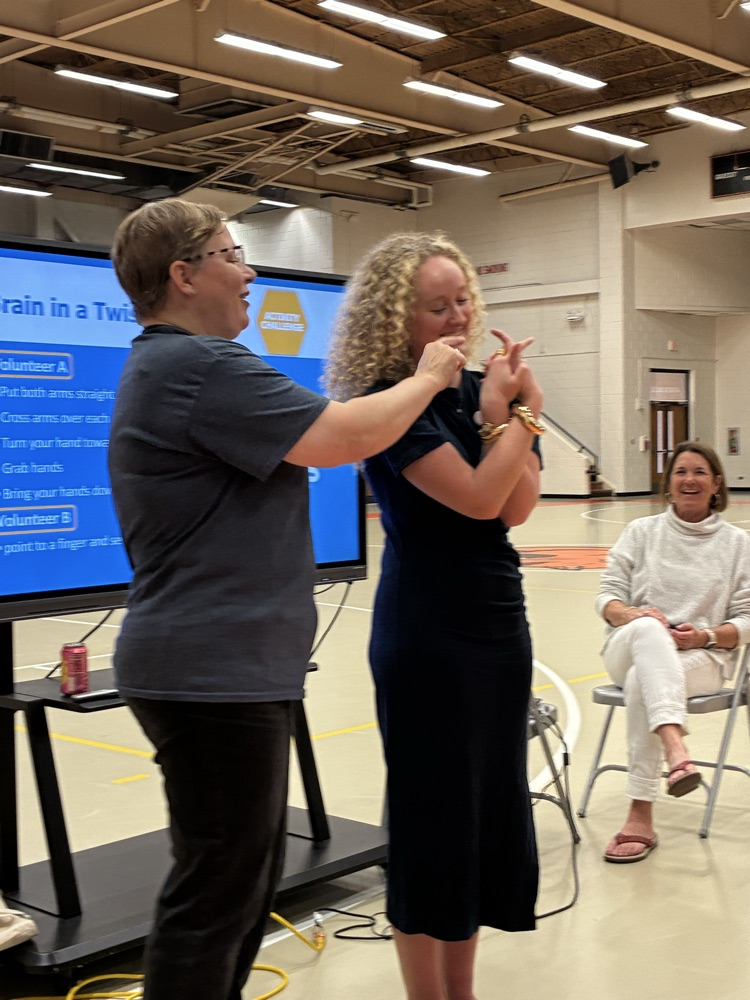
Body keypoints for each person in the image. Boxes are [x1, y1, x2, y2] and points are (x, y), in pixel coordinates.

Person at [107, 199, 465, 1000]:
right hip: (209, 671)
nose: (251, 271)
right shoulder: (197, 365)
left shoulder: (179, 365)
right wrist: (429, 376)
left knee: (240, 881)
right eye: (233, 255)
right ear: (184, 274)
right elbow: (341, 436)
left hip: (227, 668)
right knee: (218, 890)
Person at [325, 232, 542, 1000]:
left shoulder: (478, 386)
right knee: (433, 820)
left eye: (462, 301)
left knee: (483, 814)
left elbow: (514, 509)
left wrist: (498, 409)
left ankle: (463, 988)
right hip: (429, 635)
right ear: (396, 318)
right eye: (436, 306)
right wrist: (520, 417)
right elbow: (479, 498)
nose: (456, 318)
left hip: (495, 622)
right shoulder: (390, 399)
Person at [595, 441, 750, 863]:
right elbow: (606, 599)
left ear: (717, 483)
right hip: (629, 645)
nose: (689, 480)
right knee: (648, 630)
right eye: (681, 472)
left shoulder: (738, 544)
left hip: (701, 659)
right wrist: (630, 614)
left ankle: (639, 813)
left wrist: (705, 636)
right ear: (669, 483)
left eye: (700, 472)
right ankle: (675, 748)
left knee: (644, 683)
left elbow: (747, 619)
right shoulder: (641, 532)